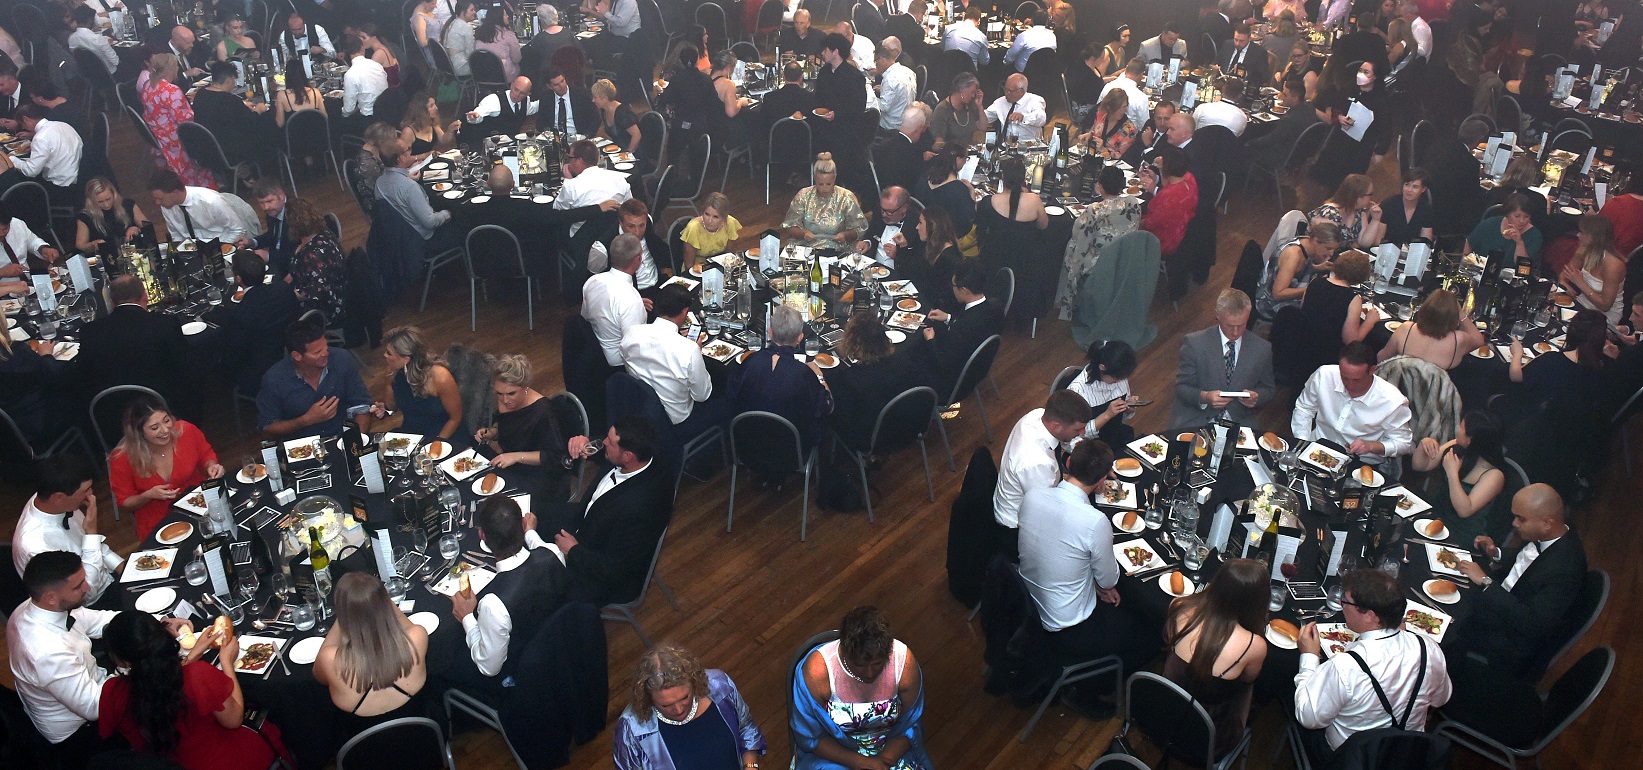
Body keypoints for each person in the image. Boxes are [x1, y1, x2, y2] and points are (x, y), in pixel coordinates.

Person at [1019, 439, 1156, 683]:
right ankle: (1088, 687)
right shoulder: (1094, 521)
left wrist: (1095, 585)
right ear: (1103, 480)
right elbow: (1109, 579)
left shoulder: (1032, 496)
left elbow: (1054, 550)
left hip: (1028, 603)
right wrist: (1099, 585)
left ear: (1069, 462)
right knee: (1150, 637)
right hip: (1068, 627)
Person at [1292, 569, 1452, 762]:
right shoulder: (1430, 649)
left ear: (1369, 616)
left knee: (1290, 695)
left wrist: (1309, 657)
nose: (1342, 606)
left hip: (1350, 760)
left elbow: (1308, 717)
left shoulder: (1345, 666)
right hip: (1406, 756)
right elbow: (1441, 699)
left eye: (1346, 601)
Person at [99, 610, 284, 770]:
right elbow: (234, 718)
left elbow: (156, 683)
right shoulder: (196, 676)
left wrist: (194, 653)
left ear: (121, 659)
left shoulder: (111, 692)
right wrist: (227, 662)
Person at [1448, 483, 1587, 676]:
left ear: (1547, 523)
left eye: (1521, 519)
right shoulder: (1551, 532)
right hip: (1504, 602)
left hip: (1509, 641)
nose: (1514, 524)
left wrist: (1486, 582)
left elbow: (1531, 623)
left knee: (1450, 626)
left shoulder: (1566, 569)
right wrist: (1496, 553)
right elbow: (1528, 561)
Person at [7, 553, 128, 764]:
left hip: (92, 685)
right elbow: (94, 707)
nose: (88, 588)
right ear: (51, 597)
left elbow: (98, 620)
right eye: (78, 586)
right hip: (82, 734)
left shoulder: (38, 606)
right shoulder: (47, 653)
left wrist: (157, 622)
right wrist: (130, 671)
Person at [446, 496, 570, 695]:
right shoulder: (553, 553)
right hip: (561, 646)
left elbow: (489, 668)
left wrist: (467, 617)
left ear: (482, 536)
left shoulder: (493, 603)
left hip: (522, 675)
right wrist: (530, 532)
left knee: (442, 664)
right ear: (522, 524)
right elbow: (540, 547)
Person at [792, 606, 930, 770]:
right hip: (835, 755)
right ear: (845, 653)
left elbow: (911, 722)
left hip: (891, 748)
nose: (870, 673)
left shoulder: (904, 664)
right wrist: (862, 763)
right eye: (860, 665)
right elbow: (810, 735)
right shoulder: (817, 672)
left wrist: (884, 761)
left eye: (878, 664)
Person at [558, 415, 674, 605]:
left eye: (609, 442)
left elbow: (613, 569)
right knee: (534, 511)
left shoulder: (638, 510)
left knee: (544, 590)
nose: (604, 442)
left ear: (628, 456)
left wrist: (573, 550)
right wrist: (585, 444)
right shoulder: (642, 454)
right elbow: (607, 450)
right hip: (588, 519)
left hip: (602, 574)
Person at [1162, 558, 1270, 758]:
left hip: (1162, 710)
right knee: (1249, 690)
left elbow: (1170, 644)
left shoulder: (1178, 605)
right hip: (1208, 737)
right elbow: (1248, 680)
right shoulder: (1254, 645)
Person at [615, 643, 766, 770]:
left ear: (694, 682)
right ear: (648, 698)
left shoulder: (721, 686)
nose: (679, 710)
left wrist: (751, 766)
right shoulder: (632, 729)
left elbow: (745, 727)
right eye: (666, 705)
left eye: (684, 697)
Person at [313, 572, 429, 728]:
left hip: (364, 751)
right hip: (424, 741)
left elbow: (318, 674)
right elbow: (406, 625)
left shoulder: (329, 660)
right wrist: (382, 601)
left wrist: (345, 614)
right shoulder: (418, 637)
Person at [108, 396, 223, 540]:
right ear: (139, 432)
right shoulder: (121, 459)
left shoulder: (186, 430)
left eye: (167, 420)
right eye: (155, 428)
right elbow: (124, 502)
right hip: (158, 522)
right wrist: (147, 495)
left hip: (198, 505)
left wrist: (211, 466)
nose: (165, 430)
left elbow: (206, 455)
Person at [1292, 341, 1414, 475]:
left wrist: (1371, 446)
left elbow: (1403, 444)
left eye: (1356, 380)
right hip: (1318, 447)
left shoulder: (1392, 401)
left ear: (1372, 370)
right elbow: (1304, 408)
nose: (1349, 385)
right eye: (1344, 378)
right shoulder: (1324, 375)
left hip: (1360, 464)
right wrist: (1303, 442)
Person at [12, 455, 121, 603]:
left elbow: (96, 548)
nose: (91, 495)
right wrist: (91, 534)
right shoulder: (37, 546)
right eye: (86, 490)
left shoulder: (55, 501)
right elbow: (87, 593)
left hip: (107, 577)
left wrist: (122, 566)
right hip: (91, 605)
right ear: (59, 497)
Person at [78, 274, 192, 416]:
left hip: (113, 415)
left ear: (112, 301)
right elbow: (186, 369)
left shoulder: (90, 332)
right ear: (145, 296)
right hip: (161, 408)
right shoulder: (165, 325)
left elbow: (82, 379)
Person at [730, 305, 833, 452]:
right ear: (800, 338)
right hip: (792, 452)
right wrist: (820, 377)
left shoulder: (750, 363)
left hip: (748, 446)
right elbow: (827, 406)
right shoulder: (803, 373)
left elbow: (732, 393)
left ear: (770, 333)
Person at [994, 390, 1092, 543]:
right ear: (1056, 425)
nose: (1083, 432)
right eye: (1077, 429)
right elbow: (1045, 512)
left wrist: (1087, 456)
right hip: (1017, 530)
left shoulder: (1038, 415)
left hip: (1036, 499)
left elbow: (1066, 439)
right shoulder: (1036, 462)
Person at [621, 285, 722, 433]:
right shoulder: (689, 350)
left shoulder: (631, 333)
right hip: (675, 423)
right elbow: (702, 395)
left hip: (640, 409)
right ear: (685, 312)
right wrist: (697, 354)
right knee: (726, 403)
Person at [1172, 289, 1276, 430]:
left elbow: (1268, 389)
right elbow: (1182, 387)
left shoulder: (1262, 349)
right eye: (1229, 326)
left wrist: (1257, 397)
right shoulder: (1195, 343)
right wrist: (1204, 397)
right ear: (1218, 316)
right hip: (1197, 418)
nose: (1235, 332)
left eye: (1241, 325)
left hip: (1239, 421)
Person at [475, 354, 573, 502]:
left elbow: (555, 457)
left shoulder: (543, 412)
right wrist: (492, 432)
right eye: (499, 394)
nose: (505, 400)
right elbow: (505, 425)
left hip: (539, 473)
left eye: (511, 393)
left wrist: (516, 456)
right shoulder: (506, 401)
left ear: (525, 387)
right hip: (511, 462)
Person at [256, 318, 373, 439]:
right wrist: (306, 420)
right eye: (317, 352)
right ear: (297, 356)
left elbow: (361, 406)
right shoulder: (274, 379)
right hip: (302, 448)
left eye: (326, 348)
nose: (326, 354)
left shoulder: (342, 359)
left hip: (342, 437)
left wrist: (357, 441)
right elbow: (267, 429)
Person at [1057, 165, 1142, 319]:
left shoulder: (1094, 210)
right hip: (1123, 256)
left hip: (1099, 261)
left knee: (1072, 245)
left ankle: (1069, 296)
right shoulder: (1132, 203)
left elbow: (1080, 237)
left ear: (1100, 187)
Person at [1411, 411, 1507, 544]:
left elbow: (1464, 510)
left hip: (1461, 535)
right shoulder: (1456, 446)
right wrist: (1424, 444)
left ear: (1470, 439)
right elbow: (1420, 466)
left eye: (1461, 426)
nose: (1457, 429)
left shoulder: (1494, 475)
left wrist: (1452, 474)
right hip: (1435, 518)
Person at [220, 250, 299, 397]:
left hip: (262, 371)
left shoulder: (242, 312)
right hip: (290, 352)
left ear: (238, 279)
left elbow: (236, 352)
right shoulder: (284, 289)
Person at [919, 262, 1004, 392]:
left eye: (953, 285)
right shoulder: (996, 307)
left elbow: (942, 363)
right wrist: (948, 317)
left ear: (964, 290)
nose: (952, 288)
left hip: (952, 383)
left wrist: (930, 340)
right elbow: (971, 326)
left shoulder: (963, 327)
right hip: (977, 370)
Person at [371, 326, 464, 439]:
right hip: (412, 433)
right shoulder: (392, 371)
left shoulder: (440, 377)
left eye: (389, 353)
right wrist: (384, 409)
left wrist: (437, 443)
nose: (385, 355)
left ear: (406, 359)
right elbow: (391, 405)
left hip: (444, 433)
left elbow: (455, 418)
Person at [1298, 249, 1379, 377]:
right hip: (1326, 355)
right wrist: (1369, 322)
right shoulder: (1353, 299)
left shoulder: (1315, 283)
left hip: (1301, 344)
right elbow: (1351, 340)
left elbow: (1303, 309)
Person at [1509, 308, 1606, 411]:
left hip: (1529, 415)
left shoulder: (1552, 360)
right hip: (1563, 423)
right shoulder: (1600, 371)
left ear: (1572, 331)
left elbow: (1516, 376)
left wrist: (1517, 353)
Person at [141, 54, 214, 188]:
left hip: (159, 136)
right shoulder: (171, 91)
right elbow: (186, 121)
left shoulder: (147, 86)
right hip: (176, 139)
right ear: (170, 70)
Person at [376, 137, 462, 252]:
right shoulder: (409, 187)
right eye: (408, 150)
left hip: (397, 239)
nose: (411, 152)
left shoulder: (379, 183)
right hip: (422, 242)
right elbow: (430, 222)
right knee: (463, 225)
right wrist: (449, 212)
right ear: (400, 158)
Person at [974, 155, 1048, 285]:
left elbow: (979, 229)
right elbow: (1043, 225)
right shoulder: (1034, 200)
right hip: (1026, 265)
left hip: (995, 262)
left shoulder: (989, 201)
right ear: (1024, 179)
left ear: (1003, 178)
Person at [583, 233, 649, 368]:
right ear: (637, 259)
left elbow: (586, 317)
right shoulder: (630, 300)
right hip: (617, 362)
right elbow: (634, 349)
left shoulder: (592, 281)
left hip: (593, 349)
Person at [1377, 289, 1485, 368]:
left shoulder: (1406, 329)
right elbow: (1479, 340)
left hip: (1397, 392)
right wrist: (1461, 313)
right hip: (1432, 397)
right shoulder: (1458, 340)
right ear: (1453, 317)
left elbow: (1381, 359)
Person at [1258, 220, 1340, 319]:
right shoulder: (1293, 255)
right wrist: (1311, 288)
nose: (1331, 254)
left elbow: (1296, 272)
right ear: (1315, 240)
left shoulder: (1306, 242)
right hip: (1269, 304)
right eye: (1328, 248)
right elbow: (1278, 294)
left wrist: (1317, 268)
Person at [783, 153, 868, 248]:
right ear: (814, 178)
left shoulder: (846, 197)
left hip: (837, 249)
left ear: (834, 178)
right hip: (807, 247)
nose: (824, 189)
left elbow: (859, 228)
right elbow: (790, 226)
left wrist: (845, 235)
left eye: (828, 184)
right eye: (820, 184)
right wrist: (803, 234)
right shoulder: (803, 195)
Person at [147, 168, 253, 244]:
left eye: (160, 198)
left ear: (175, 193)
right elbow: (175, 234)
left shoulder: (210, 201)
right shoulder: (166, 206)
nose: (157, 203)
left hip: (220, 246)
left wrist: (221, 249)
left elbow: (238, 230)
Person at [1066, 339, 1140, 446]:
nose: (1119, 381)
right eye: (1116, 378)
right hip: (1088, 447)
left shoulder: (1119, 377)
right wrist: (1106, 415)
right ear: (1102, 367)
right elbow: (1071, 440)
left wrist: (1128, 407)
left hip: (1113, 436)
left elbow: (1120, 419)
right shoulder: (1077, 392)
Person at [0, 104, 81, 200]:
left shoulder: (41, 137)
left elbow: (31, 171)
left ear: (25, 119)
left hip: (58, 188)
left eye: (21, 125)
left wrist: (11, 159)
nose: (23, 128)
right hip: (76, 180)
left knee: (15, 184)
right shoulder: (63, 125)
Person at [556, 139, 633, 237]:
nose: (569, 162)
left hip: (583, 241)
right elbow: (630, 207)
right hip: (615, 236)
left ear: (579, 160)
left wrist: (568, 180)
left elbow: (558, 213)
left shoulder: (571, 186)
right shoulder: (619, 179)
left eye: (570, 158)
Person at [286, 197, 345, 323]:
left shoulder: (314, 255)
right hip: (317, 289)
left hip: (324, 307)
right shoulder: (322, 232)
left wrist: (286, 295)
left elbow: (317, 291)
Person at [1561, 213, 1627, 326]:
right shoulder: (1583, 250)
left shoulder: (1613, 265)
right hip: (1583, 303)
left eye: (1582, 232)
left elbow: (1605, 306)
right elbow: (1563, 276)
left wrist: (1581, 284)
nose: (1578, 235)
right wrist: (1564, 284)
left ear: (1593, 237)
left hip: (1604, 315)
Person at [1139, 144, 1199, 260]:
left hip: (1163, 240)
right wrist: (1157, 176)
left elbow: (1151, 223)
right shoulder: (1189, 178)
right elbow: (1168, 184)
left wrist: (1138, 222)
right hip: (1180, 230)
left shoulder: (1169, 196)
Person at [902, 205, 962, 313]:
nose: (917, 227)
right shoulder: (929, 247)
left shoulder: (950, 259)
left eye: (920, 223)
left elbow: (946, 298)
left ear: (932, 227)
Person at [74, 177, 148, 257]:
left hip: (135, 254)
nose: (106, 204)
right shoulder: (85, 217)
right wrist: (93, 244)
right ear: (91, 201)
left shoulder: (128, 205)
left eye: (108, 199)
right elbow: (80, 245)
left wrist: (137, 229)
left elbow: (147, 226)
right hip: (107, 258)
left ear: (114, 194)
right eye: (100, 202)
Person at [1310, 174, 1386, 249]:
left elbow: (1365, 243)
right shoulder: (1329, 213)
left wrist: (1375, 219)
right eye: (1370, 194)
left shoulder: (1359, 213)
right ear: (1358, 196)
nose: (1371, 198)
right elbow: (1325, 247)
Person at [912, 149, 975, 238]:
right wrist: (972, 193)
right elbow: (968, 220)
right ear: (957, 160)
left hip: (923, 229)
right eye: (966, 158)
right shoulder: (959, 189)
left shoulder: (923, 179)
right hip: (948, 235)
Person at [856, 186, 922, 268]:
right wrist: (867, 242)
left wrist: (897, 255)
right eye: (882, 209)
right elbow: (872, 232)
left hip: (900, 275)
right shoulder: (879, 211)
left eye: (890, 212)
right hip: (874, 269)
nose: (883, 214)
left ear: (904, 208)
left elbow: (919, 261)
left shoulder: (917, 223)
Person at [679, 192, 741, 271]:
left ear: (724, 217)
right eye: (707, 214)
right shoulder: (693, 228)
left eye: (715, 217)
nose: (709, 220)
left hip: (720, 265)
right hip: (697, 268)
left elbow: (728, 255)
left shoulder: (730, 223)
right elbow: (689, 265)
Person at [340, 34, 390, 129]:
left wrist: (341, 113)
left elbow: (348, 110)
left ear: (346, 53)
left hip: (369, 121)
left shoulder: (351, 74)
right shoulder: (377, 65)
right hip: (386, 113)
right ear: (362, 49)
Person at [929, 73, 986, 154]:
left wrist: (980, 106)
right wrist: (957, 147)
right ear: (962, 90)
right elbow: (936, 145)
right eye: (972, 92)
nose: (974, 95)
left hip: (969, 154)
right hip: (952, 156)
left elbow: (983, 127)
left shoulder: (971, 106)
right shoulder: (942, 110)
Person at [1380, 167, 1436, 245]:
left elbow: (1425, 242)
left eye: (1415, 187)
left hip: (1412, 253)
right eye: (1407, 185)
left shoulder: (1426, 209)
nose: (1409, 190)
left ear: (1423, 189)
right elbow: (1378, 241)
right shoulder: (1388, 204)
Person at [985, 73, 1047, 143]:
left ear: (1021, 91)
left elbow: (1041, 119)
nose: (1006, 93)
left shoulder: (1035, 100)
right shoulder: (1000, 102)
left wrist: (1023, 117)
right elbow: (985, 118)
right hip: (1005, 146)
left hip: (1030, 146)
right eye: (1005, 89)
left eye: (1010, 91)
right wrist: (978, 107)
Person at [1079, 89, 1138, 160]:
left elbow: (1123, 158)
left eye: (1124, 107)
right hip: (1093, 158)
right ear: (1109, 107)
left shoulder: (1129, 129)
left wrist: (1103, 149)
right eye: (1117, 108)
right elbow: (1094, 135)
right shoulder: (1101, 116)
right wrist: (1089, 137)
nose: (1121, 111)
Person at [402, 91, 460, 160]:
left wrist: (450, 130)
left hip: (428, 162)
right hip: (414, 166)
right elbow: (404, 159)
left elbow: (443, 139)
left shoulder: (432, 122)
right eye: (431, 106)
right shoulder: (408, 131)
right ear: (422, 110)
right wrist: (425, 155)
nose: (436, 108)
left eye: (435, 104)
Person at [474, 3, 523, 81]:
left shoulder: (479, 34)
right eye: (505, 15)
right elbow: (517, 59)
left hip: (482, 76)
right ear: (499, 17)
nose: (507, 17)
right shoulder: (508, 35)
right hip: (503, 76)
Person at [273, 57, 326, 129]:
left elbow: (280, 123)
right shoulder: (315, 92)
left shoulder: (282, 95)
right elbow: (325, 117)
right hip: (318, 137)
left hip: (294, 139)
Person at [591, 79, 640, 154]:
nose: (593, 100)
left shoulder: (623, 113)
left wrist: (627, 154)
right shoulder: (604, 111)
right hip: (618, 151)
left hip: (633, 154)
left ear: (605, 98)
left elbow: (637, 135)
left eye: (595, 97)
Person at [68, 6, 119, 75]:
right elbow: (116, 61)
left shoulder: (71, 39)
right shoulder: (98, 39)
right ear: (90, 20)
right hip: (110, 74)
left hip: (89, 76)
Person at [1102, 58, 1152, 128]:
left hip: (1103, 129)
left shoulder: (1108, 86)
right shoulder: (1141, 98)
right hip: (1129, 135)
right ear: (1142, 75)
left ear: (1126, 69)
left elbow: (1099, 109)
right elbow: (1144, 126)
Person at [441, 1, 478, 78]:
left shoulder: (452, 22)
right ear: (463, 12)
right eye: (471, 10)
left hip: (449, 65)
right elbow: (470, 54)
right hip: (461, 67)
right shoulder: (466, 27)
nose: (474, 12)